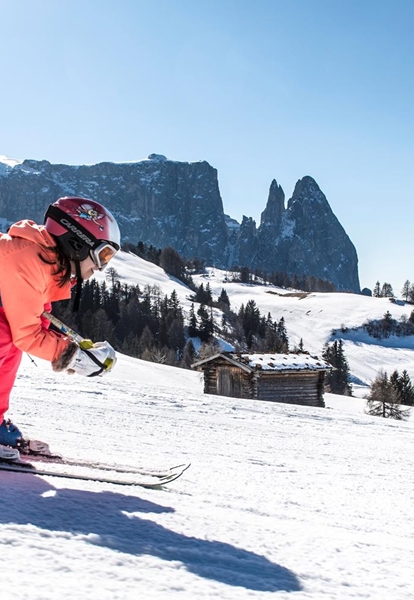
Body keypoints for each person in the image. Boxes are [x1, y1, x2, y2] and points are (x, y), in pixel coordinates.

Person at [0, 196, 121, 457]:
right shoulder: (26, 260)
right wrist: (74, 357)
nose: (101, 268)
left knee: (8, 338)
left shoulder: (44, 265)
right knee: (5, 335)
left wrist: (74, 349)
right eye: (102, 255)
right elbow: (28, 334)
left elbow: (34, 323)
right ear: (77, 243)